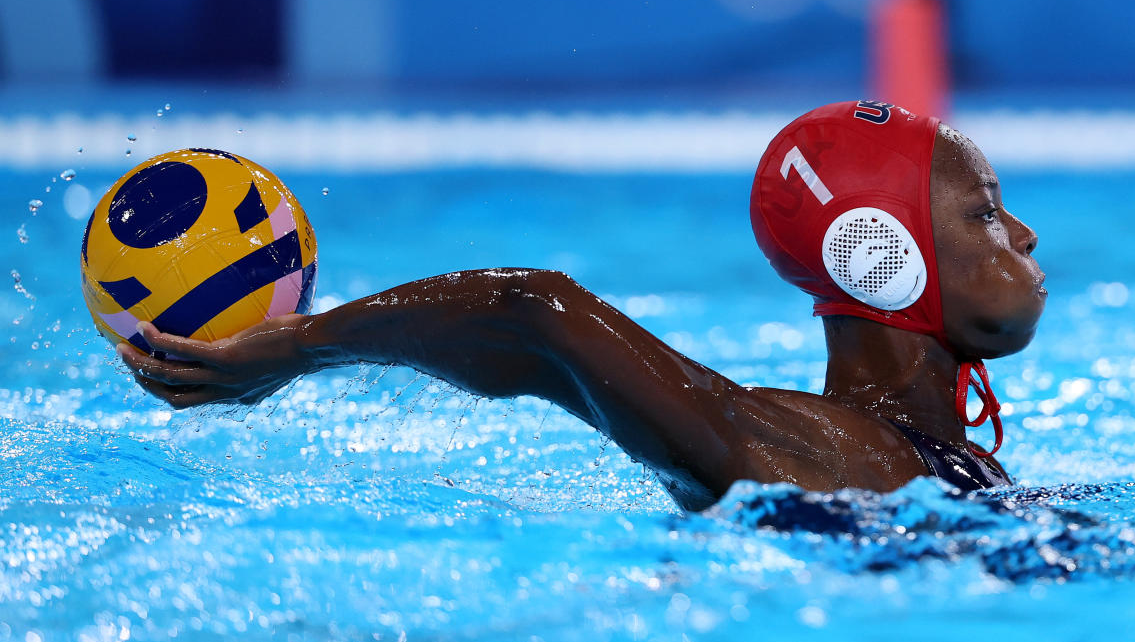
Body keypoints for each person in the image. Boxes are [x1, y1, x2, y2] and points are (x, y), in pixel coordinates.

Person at [118, 101, 1046, 512]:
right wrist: (300, 347)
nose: (1025, 237)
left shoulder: (912, 452)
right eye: (986, 213)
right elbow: (537, 313)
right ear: (880, 257)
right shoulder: (831, 455)